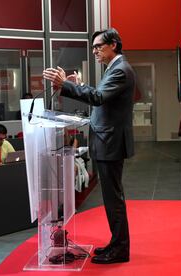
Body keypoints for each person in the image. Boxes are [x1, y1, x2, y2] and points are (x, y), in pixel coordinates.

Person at [43, 28, 134, 265]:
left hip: (110, 143)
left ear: (113, 44)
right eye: (93, 47)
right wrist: (79, 84)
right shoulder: (114, 67)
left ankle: (120, 249)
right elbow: (102, 96)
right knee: (112, 197)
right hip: (107, 141)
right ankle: (116, 244)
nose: (94, 51)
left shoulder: (120, 69)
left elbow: (98, 98)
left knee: (114, 198)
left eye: (98, 46)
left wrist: (66, 85)